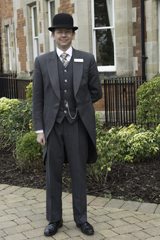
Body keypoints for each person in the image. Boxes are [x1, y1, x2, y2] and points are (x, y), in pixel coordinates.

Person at [32, 12, 102, 237]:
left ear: (72, 35)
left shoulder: (87, 59)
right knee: (52, 175)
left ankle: (81, 219)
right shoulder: (42, 61)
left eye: (67, 31)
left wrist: (79, 106)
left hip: (77, 126)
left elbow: (96, 92)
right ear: (54, 35)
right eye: (59, 31)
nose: (64, 35)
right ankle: (54, 219)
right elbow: (38, 99)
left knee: (79, 173)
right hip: (52, 127)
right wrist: (39, 129)